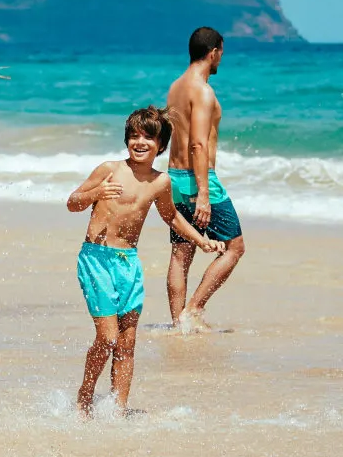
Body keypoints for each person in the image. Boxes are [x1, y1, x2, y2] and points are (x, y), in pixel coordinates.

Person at [66, 107, 225, 419]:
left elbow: (172, 217)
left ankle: (118, 407)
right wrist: (97, 192)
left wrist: (201, 239)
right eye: (134, 136)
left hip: (129, 264)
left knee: (126, 341)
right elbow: (72, 202)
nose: (139, 142)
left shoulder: (161, 182)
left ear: (161, 146)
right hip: (96, 259)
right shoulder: (109, 169)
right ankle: (85, 396)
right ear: (126, 140)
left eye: (148, 137)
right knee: (107, 337)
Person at [164, 27, 246, 334]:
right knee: (235, 247)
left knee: (180, 252)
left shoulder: (175, 88)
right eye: (221, 53)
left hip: (174, 178)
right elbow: (197, 144)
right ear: (213, 52)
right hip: (199, 180)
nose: (221, 59)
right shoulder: (202, 90)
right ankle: (194, 309)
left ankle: (178, 323)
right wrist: (203, 195)